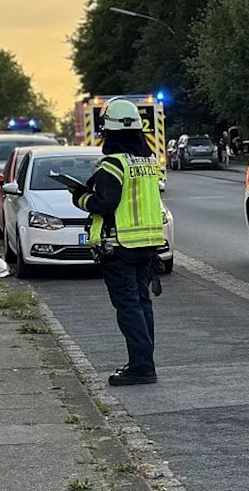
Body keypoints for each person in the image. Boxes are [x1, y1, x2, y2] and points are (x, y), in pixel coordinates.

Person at [72, 98, 164, 386]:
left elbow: (105, 203)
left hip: (119, 246)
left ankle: (141, 368)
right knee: (142, 304)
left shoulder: (113, 164)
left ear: (109, 132)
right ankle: (144, 362)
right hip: (146, 245)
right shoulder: (148, 161)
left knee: (128, 308)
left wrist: (80, 198)